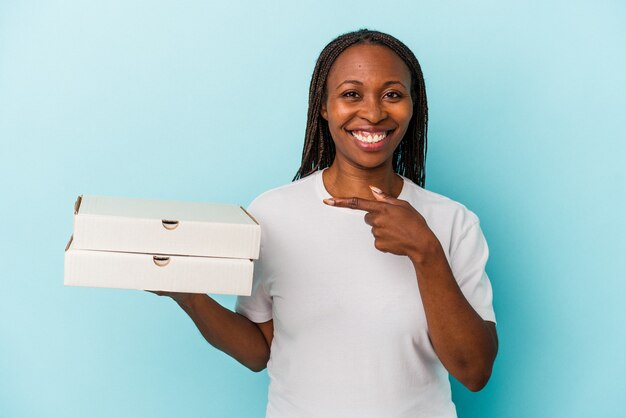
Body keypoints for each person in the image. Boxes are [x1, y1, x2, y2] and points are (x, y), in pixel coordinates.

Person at [153, 29, 498, 418]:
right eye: (352, 94)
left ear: (413, 106)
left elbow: (474, 371)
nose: (373, 112)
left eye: (393, 94)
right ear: (323, 106)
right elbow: (258, 351)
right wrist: (188, 295)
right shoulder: (272, 214)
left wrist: (426, 252)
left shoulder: (452, 222)